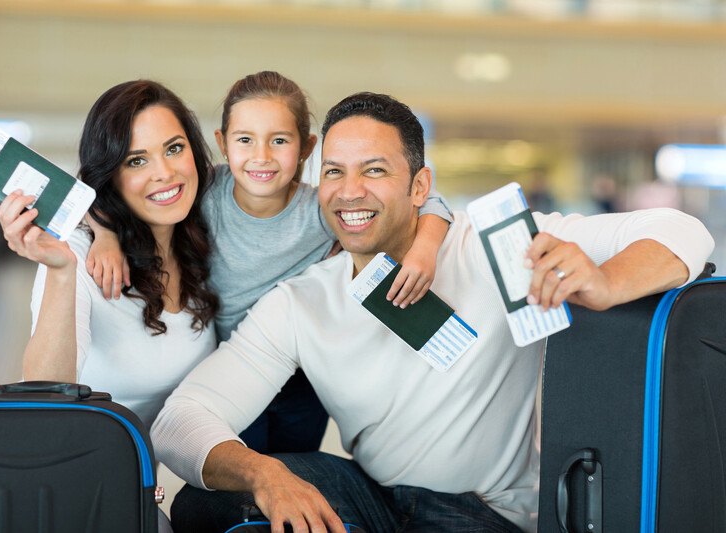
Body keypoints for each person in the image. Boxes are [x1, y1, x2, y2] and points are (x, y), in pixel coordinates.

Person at [149, 91, 714, 533]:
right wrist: (263, 473)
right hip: (374, 497)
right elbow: (181, 420)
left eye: (374, 170)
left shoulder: (497, 246)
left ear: (421, 185)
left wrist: (604, 281)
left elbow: (682, 230)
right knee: (210, 505)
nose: (349, 192)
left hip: (482, 510)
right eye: (334, 172)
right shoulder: (302, 301)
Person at [86, 71, 454, 454]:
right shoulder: (204, 193)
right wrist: (106, 235)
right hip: (232, 367)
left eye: (279, 140)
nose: (261, 157)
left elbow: (428, 199)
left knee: (296, 464)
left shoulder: (322, 210)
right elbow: (97, 194)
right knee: (243, 473)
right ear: (222, 144)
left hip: (303, 375)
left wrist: (425, 247)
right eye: (245, 140)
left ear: (307, 148)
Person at [0, 80, 219, 430]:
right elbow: (41, 396)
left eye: (174, 149)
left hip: (142, 479)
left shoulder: (204, 234)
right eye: (136, 161)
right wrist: (62, 270)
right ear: (110, 176)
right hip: (78, 473)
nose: (164, 173)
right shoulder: (80, 255)